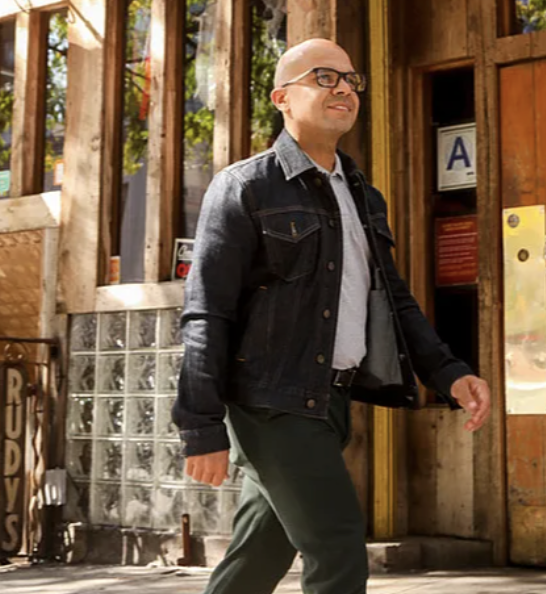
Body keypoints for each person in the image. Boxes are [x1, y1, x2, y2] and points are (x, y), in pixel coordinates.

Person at [176, 38, 492, 594]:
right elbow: (208, 312)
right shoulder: (244, 187)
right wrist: (200, 426)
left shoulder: (362, 195)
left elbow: (390, 297)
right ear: (282, 97)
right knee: (339, 545)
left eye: (350, 79)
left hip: (330, 400)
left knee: (258, 554)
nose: (344, 88)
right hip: (271, 402)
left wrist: (446, 371)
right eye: (324, 77)